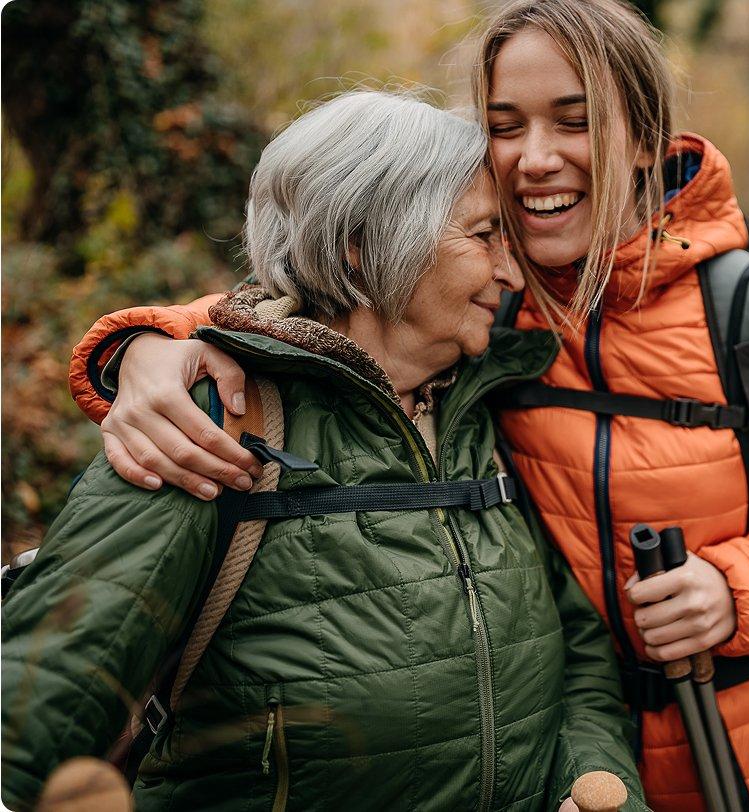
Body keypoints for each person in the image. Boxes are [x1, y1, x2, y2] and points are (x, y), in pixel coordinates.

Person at [62, 1, 749, 809]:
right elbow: (308, 303)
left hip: (734, 755)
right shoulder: (475, 296)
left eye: (573, 121)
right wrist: (148, 344)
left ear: (648, 138)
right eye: (504, 126)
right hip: (535, 758)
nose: (533, 157)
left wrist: (739, 588)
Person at [2, 89, 646, 812]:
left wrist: (596, 786)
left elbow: (578, 662)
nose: (510, 271)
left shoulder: (484, 421)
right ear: (363, 244)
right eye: (484, 235)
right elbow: (32, 710)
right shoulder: (212, 424)